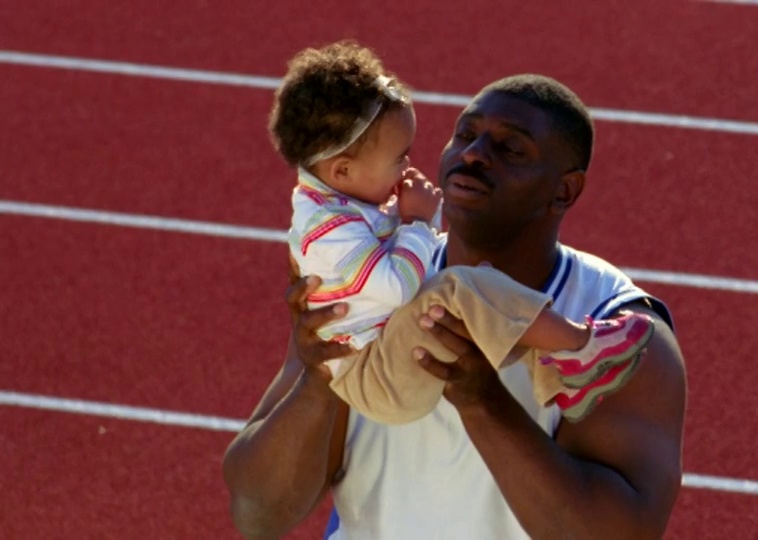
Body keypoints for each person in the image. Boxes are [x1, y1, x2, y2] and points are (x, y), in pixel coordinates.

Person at [223, 69, 687, 539]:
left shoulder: (617, 327)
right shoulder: (371, 280)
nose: (473, 155)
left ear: (564, 190)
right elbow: (258, 514)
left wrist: (482, 400)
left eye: (509, 149)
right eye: (465, 134)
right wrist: (319, 378)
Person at [271, 40, 656, 425]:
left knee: (479, 290)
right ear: (342, 171)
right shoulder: (328, 229)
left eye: (510, 147)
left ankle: (563, 376)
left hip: (381, 357)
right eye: (398, 157)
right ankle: (584, 346)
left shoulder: (336, 203)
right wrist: (417, 223)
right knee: (460, 288)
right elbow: (397, 288)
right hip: (375, 375)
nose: (407, 166)